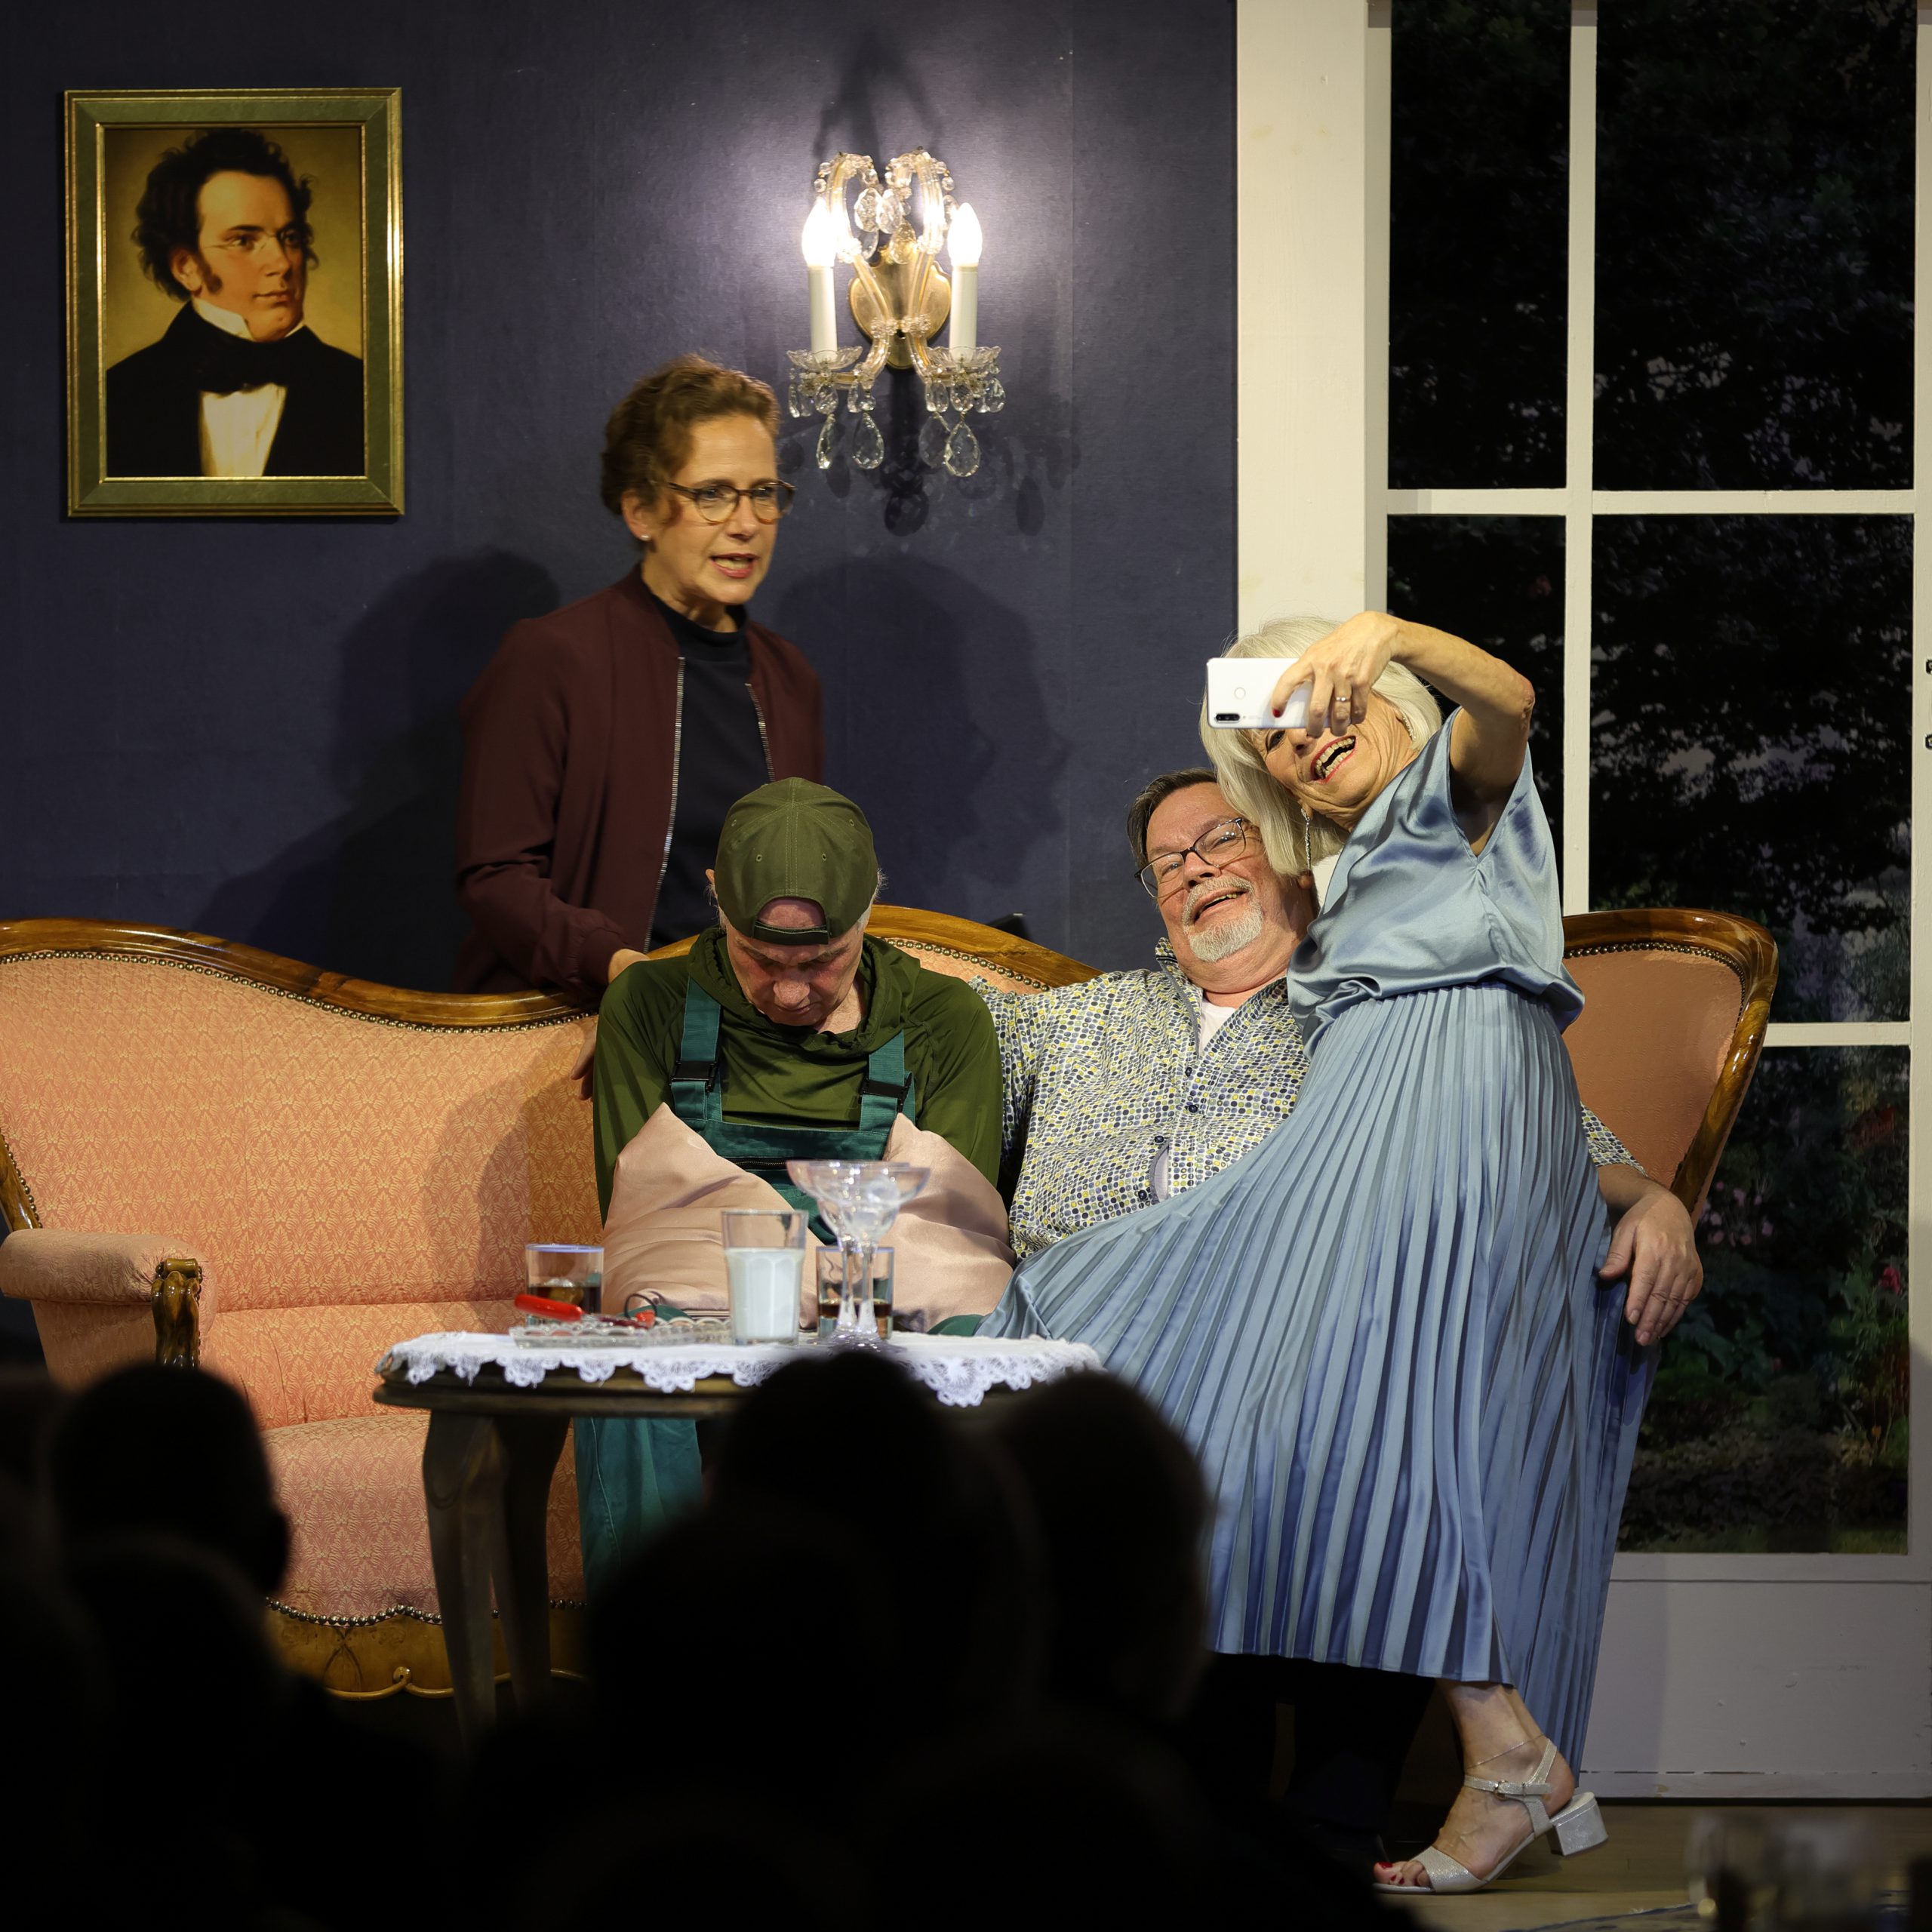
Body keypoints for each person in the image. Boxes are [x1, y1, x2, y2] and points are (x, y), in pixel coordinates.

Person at [982, 611, 1687, 1895]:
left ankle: (1491, 1753)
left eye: (1328, 710)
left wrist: (1386, 634)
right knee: (1310, 1398)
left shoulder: (1448, 802)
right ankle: (1500, 1743)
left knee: (1376, 1407)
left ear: (1386, 698)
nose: (1307, 742)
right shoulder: (1338, 872)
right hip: (1367, 1117)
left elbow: (1509, 703)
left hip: (1444, 1105)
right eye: (1279, 740)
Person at [577, 779, 1007, 1590]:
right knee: (629, 1357)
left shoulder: (943, 1019)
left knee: (980, 1343)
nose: (789, 991)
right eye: (760, 960)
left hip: (888, 1314)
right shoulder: (651, 1005)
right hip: (702, 1311)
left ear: (871, 911)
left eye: (821, 962)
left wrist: (801, 1287)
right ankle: (655, 1641)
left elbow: (950, 1234)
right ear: (715, 901)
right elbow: (647, 1224)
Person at [454, 356, 823, 1004]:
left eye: (763, 493)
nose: (746, 523)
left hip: (751, 1022)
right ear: (641, 512)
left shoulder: (788, 677)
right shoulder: (552, 657)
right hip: (579, 1011)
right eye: (713, 494)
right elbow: (496, 877)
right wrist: (615, 965)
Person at [106, 128, 364, 479]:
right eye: (243, 240)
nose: (282, 263)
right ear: (187, 267)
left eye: (289, 238)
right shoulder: (117, 395)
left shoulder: (360, 391)